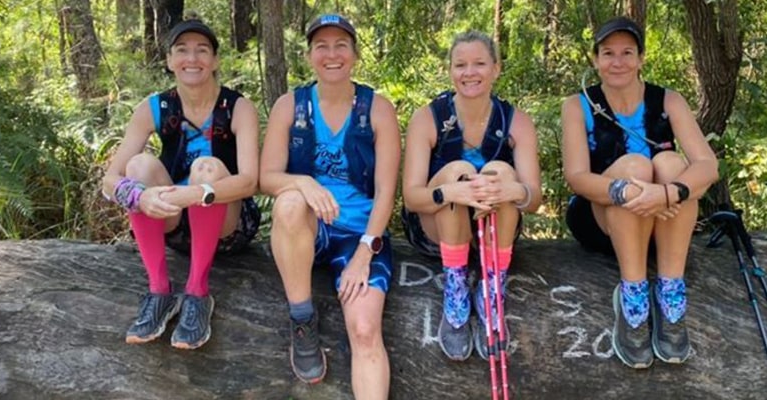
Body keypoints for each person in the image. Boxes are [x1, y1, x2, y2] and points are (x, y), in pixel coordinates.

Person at [560, 16, 719, 369]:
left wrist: (666, 194)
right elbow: (576, 177)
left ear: (641, 58)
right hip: (601, 217)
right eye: (608, 53)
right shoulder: (578, 105)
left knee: (672, 164)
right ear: (596, 59)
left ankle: (670, 294)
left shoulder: (668, 100)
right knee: (635, 165)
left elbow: (707, 166)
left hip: (662, 219)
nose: (618, 62)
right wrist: (628, 190)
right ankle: (633, 297)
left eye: (627, 52)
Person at [258, 14, 400, 399]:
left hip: (359, 233)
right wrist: (303, 182)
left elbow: (388, 190)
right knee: (288, 201)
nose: (331, 54)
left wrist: (365, 252)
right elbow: (267, 177)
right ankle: (302, 319)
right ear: (309, 56)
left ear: (354, 54)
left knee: (366, 330)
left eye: (341, 45)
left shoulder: (377, 109)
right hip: (309, 227)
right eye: (322, 45)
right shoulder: (291, 106)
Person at [101, 18, 261, 350]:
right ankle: (160, 290)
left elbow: (249, 182)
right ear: (170, 60)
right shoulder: (155, 108)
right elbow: (110, 180)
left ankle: (197, 292)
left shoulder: (237, 107)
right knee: (138, 165)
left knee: (208, 167)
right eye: (182, 50)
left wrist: (198, 192)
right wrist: (138, 196)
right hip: (174, 224)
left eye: (202, 50)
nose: (192, 58)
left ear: (215, 61)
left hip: (227, 225)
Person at [401, 31, 542, 362]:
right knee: (458, 169)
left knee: (500, 172)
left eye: (479, 63)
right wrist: (454, 190)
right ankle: (456, 291)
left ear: (496, 68)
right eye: (460, 64)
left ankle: (492, 287)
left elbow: (533, 199)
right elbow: (411, 197)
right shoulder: (428, 118)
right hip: (435, 229)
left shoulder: (515, 121)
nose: (469, 73)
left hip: (493, 232)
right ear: (450, 70)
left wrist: (512, 189)